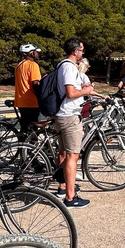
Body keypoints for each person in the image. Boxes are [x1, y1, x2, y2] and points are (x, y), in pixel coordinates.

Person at [53, 38, 93, 208]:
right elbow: (70, 93)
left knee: (64, 152)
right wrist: (86, 90)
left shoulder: (62, 65)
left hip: (62, 114)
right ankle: (70, 197)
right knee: (73, 156)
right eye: (82, 50)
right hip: (69, 116)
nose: (83, 53)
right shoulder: (69, 67)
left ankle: (64, 187)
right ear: (76, 51)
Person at [14, 43, 42, 132]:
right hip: (31, 101)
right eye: (36, 52)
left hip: (21, 101)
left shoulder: (19, 65)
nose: (38, 54)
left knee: (24, 128)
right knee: (33, 130)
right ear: (31, 53)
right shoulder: (33, 65)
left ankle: (22, 144)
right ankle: (32, 144)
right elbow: (36, 84)